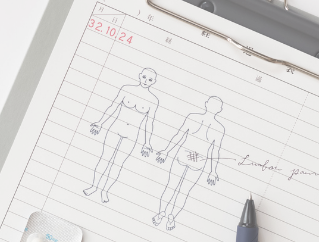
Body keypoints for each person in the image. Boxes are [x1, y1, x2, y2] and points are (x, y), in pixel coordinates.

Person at [83, 68, 160, 203]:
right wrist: (100, 123)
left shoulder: (153, 100)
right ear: (140, 76)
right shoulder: (127, 89)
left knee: (118, 164)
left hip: (132, 135)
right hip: (115, 128)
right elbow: (113, 107)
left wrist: (147, 142)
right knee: (104, 158)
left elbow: (150, 122)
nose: (146, 81)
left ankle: (105, 191)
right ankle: (94, 187)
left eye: (150, 80)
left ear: (154, 82)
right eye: (144, 77)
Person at [152, 96, 226, 231]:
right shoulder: (194, 118)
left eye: (216, 106)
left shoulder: (218, 128)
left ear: (219, 109)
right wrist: (166, 151)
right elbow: (179, 136)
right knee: (175, 188)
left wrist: (213, 171)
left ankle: (170, 216)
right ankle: (163, 213)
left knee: (181, 191)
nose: (213, 108)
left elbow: (215, 151)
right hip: (186, 157)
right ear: (206, 104)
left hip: (196, 162)